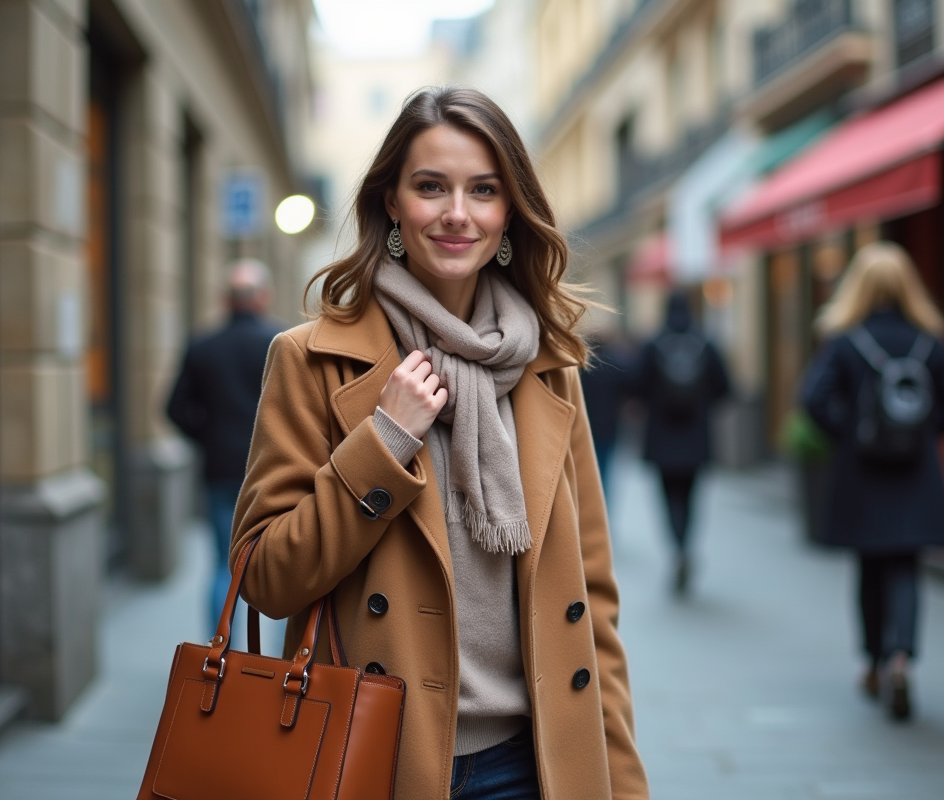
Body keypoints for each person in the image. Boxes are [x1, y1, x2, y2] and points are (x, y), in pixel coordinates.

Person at [229, 86, 648, 800]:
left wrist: (623, 783)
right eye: (431, 187)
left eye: (483, 189)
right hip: (373, 756)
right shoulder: (312, 360)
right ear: (392, 203)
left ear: (509, 211)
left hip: (534, 763)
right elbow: (265, 578)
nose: (458, 213)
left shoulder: (548, 368)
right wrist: (383, 442)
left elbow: (593, 606)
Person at [800, 241, 944, 721]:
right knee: (906, 567)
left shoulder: (845, 341)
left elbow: (813, 399)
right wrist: (921, 435)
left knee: (869, 568)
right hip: (915, 475)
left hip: (863, 474)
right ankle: (902, 660)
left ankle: (873, 662)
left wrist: (849, 435)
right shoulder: (929, 341)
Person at [166, 259, 281, 635]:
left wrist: (209, 437)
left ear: (225, 299)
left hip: (220, 469)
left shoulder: (203, 346)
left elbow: (174, 408)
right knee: (279, 562)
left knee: (223, 564)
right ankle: (279, 655)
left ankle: (219, 650)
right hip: (272, 469)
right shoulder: (281, 343)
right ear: (263, 297)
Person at [637, 291, 730, 595]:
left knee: (668, 497)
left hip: (661, 438)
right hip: (696, 437)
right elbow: (725, 388)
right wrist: (701, 404)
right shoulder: (706, 344)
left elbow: (635, 385)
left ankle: (677, 548)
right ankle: (686, 545)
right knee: (691, 498)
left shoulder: (653, 345)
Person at [580, 332, 631, 495]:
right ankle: (601, 500)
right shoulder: (613, 365)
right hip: (609, 423)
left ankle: (588, 497)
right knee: (604, 465)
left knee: (584, 463)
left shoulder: (581, 366)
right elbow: (627, 389)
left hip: (586, 422)